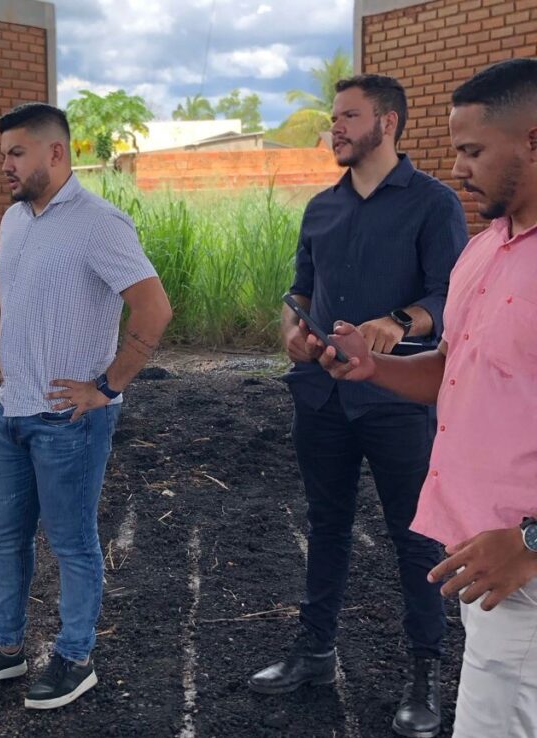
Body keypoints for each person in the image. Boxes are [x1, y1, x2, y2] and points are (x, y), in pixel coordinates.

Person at [314, 58, 537, 738]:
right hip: (486, 559)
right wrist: (373, 369)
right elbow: (453, 368)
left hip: (520, 562)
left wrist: (528, 541)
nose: (458, 168)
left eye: (473, 151)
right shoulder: (486, 250)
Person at [247, 74, 468, 738]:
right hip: (321, 397)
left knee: (415, 536)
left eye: (348, 116)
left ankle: (425, 673)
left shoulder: (433, 203)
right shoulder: (321, 208)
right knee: (327, 526)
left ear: (388, 122)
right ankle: (314, 652)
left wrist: (399, 321)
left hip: (398, 398)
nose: (335, 128)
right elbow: (299, 291)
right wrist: (292, 328)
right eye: (333, 118)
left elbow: (449, 296)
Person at [0, 103, 173, 710]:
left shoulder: (100, 223)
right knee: (5, 538)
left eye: (16, 154)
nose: (6, 166)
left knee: (71, 543)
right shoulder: (13, 220)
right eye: (3, 155)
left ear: (56, 153)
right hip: (10, 412)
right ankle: (7, 648)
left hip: (69, 420)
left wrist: (108, 388)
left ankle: (74, 657)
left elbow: (154, 309)